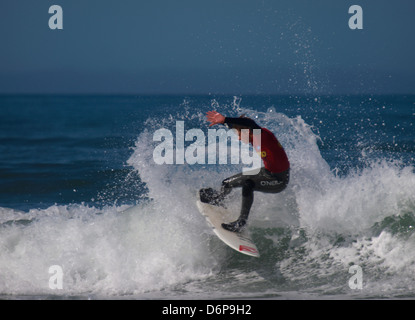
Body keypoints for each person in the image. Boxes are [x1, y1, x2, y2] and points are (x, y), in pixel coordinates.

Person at [199, 110, 290, 232]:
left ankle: (241, 222)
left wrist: (225, 119)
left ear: (247, 131)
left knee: (248, 185)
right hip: (266, 172)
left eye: (239, 134)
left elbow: (248, 123)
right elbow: (237, 125)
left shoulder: (261, 135)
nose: (239, 137)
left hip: (279, 179)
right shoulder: (251, 135)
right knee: (226, 183)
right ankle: (218, 199)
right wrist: (223, 123)